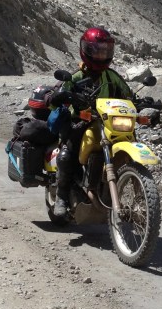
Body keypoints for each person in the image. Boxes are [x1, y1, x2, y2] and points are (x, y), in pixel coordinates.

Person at [52, 26, 134, 218]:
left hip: (107, 122)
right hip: (80, 122)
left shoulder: (111, 76)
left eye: (105, 51)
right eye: (96, 50)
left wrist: (143, 102)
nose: (100, 55)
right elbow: (58, 95)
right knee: (67, 155)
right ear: (86, 50)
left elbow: (128, 93)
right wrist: (63, 96)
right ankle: (61, 196)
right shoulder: (76, 76)